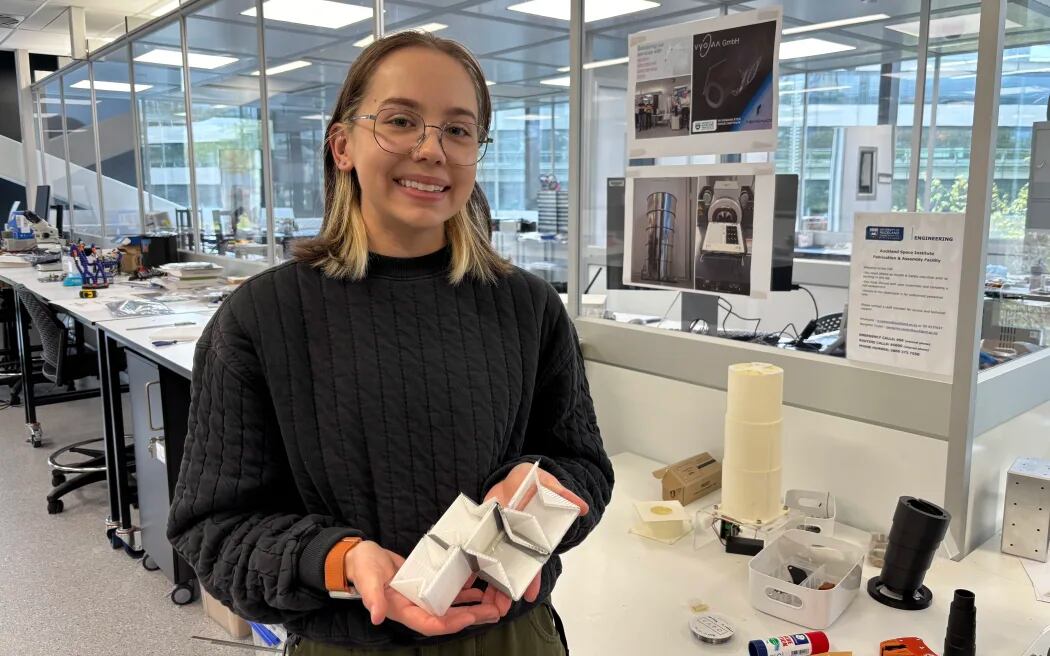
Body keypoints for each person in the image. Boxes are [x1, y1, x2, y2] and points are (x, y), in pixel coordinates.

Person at [167, 31, 614, 656]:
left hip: (512, 636)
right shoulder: (261, 319)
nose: (432, 150)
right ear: (342, 146)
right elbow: (211, 531)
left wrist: (537, 500)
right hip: (351, 642)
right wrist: (341, 560)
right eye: (401, 121)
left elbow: (585, 467)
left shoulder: (528, 307)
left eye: (458, 130)